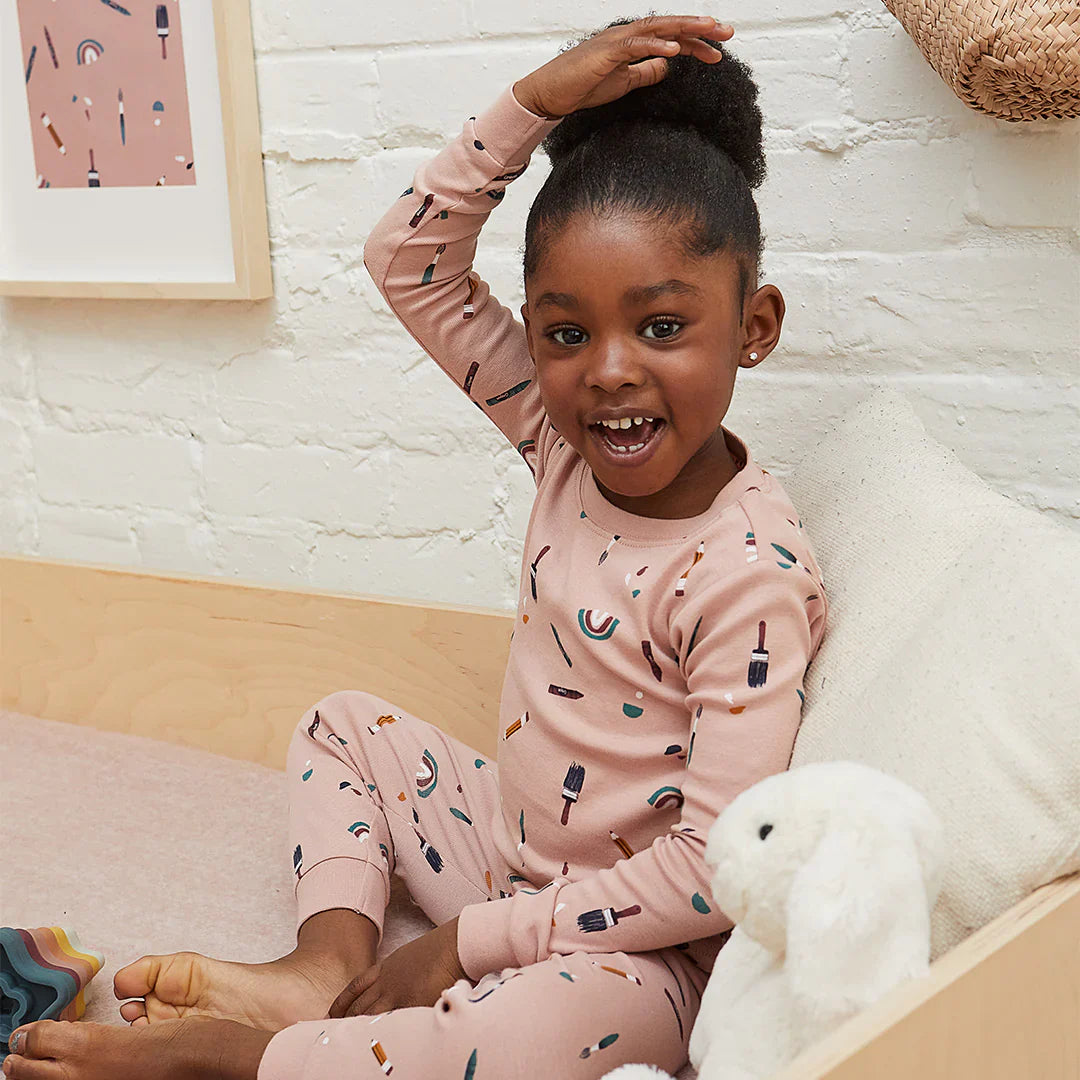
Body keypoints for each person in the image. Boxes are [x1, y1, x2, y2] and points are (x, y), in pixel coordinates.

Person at [1, 14, 829, 1080]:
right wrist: (535, 100)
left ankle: (244, 1062)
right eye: (566, 333)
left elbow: (715, 874)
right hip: (512, 856)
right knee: (343, 726)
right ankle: (318, 972)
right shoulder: (558, 438)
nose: (610, 371)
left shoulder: (748, 572)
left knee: (547, 1028)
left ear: (754, 324)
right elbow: (407, 259)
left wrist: (464, 946)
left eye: (662, 327)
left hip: (643, 954)